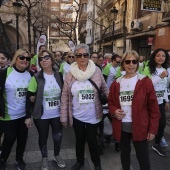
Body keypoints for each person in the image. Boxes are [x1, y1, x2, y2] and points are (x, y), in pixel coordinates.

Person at [108, 50, 160, 170]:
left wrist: (152, 129)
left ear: (137, 64)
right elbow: (110, 102)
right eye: (128, 61)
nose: (131, 64)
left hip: (140, 126)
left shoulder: (145, 81)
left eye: (134, 61)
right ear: (123, 64)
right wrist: (114, 110)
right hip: (122, 126)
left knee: (143, 157)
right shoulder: (116, 83)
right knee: (124, 155)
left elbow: (154, 108)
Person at [60, 44, 109, 170]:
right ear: (75, 57)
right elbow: (65, 96)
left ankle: (97, 165)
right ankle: (79, 161)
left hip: (94, 114)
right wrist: (63, 117)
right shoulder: (70, 73)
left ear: (88, 56)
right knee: (79, 140)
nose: (82, 57)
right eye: (79, 55)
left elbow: (104, 88)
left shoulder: (96, 70)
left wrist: (113, 105)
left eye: (85, 54)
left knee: (93, 140)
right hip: (77, 115)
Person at [25, 49, 65, 170]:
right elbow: (29, 97)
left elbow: (64, 93)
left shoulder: (59, 75)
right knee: (43, 137)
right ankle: (44, 158)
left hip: (57, 113)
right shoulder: (36, 77)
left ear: (52, 60)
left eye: (46, 58)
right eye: (41, 59)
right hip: (41, 115)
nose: (44, 60)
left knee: (57, 136)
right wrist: (28, 116)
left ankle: (56, 155)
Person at [0, 49, 32, 170]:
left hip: (24, 115)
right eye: (22, 58)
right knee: (9, 138)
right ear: (15, 59)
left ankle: (19, 159)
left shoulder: (30, 75)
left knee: (22, 139)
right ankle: (3, 159)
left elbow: (32, 94)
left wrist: (32, 98)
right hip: (9, 115)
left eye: (27, 59)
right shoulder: (5, 73)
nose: (25, 61)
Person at [143, 48, 169, 156]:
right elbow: (147, 86)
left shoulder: (165, 69)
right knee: (146, 122)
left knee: (162, 123)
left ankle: (156, 143)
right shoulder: (148, 69)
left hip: (160, 101)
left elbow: (165, 87)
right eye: (158, 55)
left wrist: (167, 100)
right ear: (154, 57)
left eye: (163, 56)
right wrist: (160, 76)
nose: (161, 57)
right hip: (148, 101)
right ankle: (142, 140)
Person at [0, 50, 11, 154]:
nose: (0, 61)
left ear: (8, 60)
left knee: (8, 135)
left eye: (3, 58)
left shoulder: (10, 73)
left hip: (7, 109)